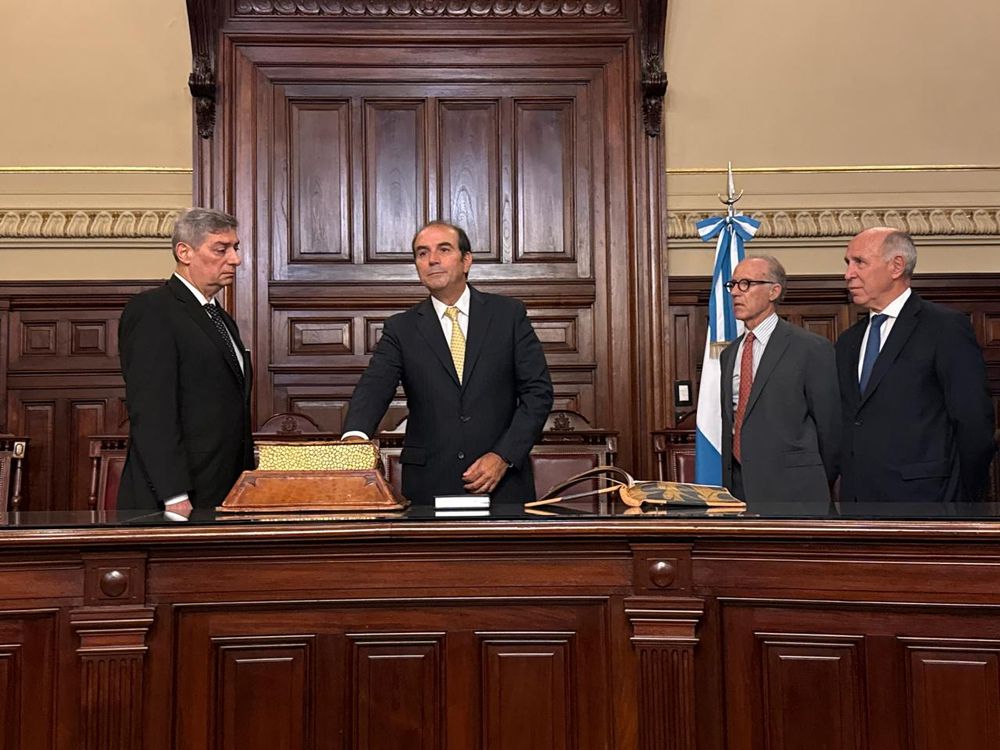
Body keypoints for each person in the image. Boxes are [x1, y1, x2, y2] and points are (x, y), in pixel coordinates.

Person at [343, 221, 553, 504]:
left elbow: (538, 393)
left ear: (466, 260)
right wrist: (354, 440)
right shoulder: (401, 328)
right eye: (422, 253)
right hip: (429, 486)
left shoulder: (508, 315)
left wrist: (503, 456)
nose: (432, 259)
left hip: (502, 485)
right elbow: (374, 387)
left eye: (444, 249)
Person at [836, 227, 995, 502]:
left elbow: (974, 423)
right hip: (858, 502)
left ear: (896, 266)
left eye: (859, 262)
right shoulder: (849, 340)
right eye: (848, 263)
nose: (848, 274)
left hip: (928, 500)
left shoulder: (944, 328)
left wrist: (964, 501)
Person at [117, 208, 254, 515]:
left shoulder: (221, 319)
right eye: (221, 249)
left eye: (235, 248)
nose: (235, 259)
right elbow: (152, 410)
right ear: (184, 252)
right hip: (178, 500)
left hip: (224, 491)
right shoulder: (153, 311)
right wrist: (173, 494)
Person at [720, 256, 840, 502]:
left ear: (774, 291)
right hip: (740, 488)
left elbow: (830, 428)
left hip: (797, 490)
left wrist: (815, 478)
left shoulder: (810, 348)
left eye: (746, 284)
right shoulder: (729, 354)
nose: (735, 292)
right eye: (732, 284)